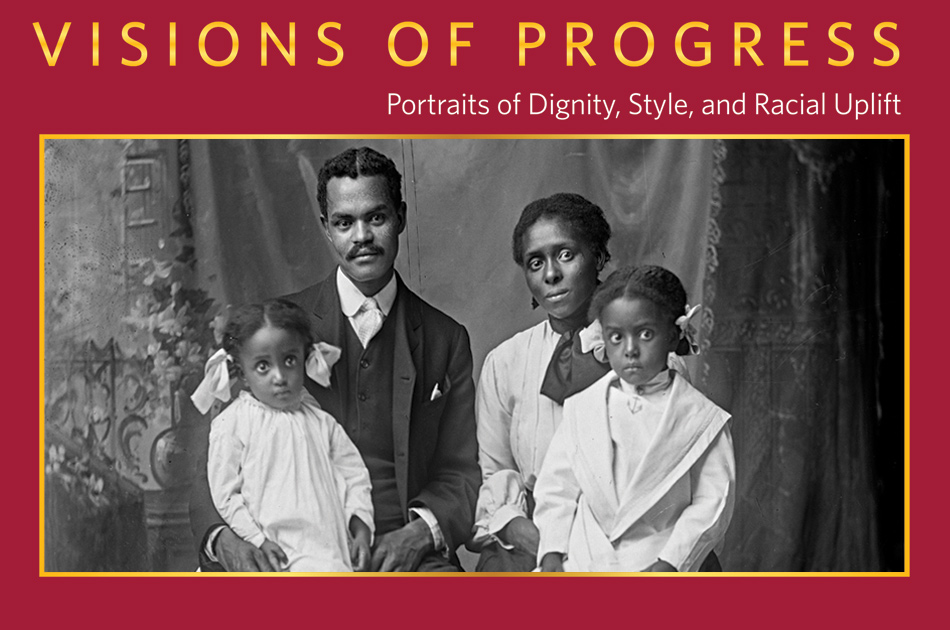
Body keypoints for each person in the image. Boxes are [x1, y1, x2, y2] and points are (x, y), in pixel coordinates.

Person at [190, 146, 479, 572]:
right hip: (286, 547)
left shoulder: (444, 338)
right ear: (327, 228)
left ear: (400, 216)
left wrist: (417, 534)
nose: (361, 236)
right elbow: (212, 456)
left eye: (376, 218)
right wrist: (224, 539)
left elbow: (460, 470)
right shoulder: (272, 333)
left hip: (400, 552)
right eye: (345, 222)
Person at [533, 265, 736, 572]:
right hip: (584, 559)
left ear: (673, 335)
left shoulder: (702, 420)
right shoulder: (582, 408)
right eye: (616, 337)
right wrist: (551, 552)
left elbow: (712, 503)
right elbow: (557, 489)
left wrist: (671, 562)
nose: (630, 350)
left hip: (658, 561)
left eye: (645, 334)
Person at [469, 193, 615, 571]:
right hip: (535, 533)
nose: (551, 274)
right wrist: (524, 530)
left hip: (621, 531)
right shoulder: (505, 362)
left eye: (565, 254)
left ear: (597, 257)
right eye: (536, 262)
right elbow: (495, 469)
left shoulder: (638, 350)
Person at [191, 299, 373, 571]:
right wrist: (257, 540)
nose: (279, 376)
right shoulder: (232, 424)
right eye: (263, 366)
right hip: (270, 552)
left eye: (289, 360)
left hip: (327, 551)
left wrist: (360, 527)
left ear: (305, 357)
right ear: (241, 371)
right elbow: (226, 494)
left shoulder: (322, 422)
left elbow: (355, 476)